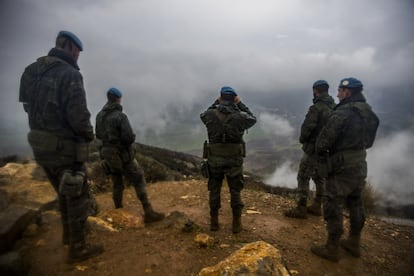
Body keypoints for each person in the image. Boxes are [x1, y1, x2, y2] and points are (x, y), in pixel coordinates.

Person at [19, 30, 104, 263]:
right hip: (64, 147)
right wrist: (87, 137)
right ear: (69, 47)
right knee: (76, 194)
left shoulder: (31, 71)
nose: (77, 56)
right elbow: (78, 116)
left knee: (63, 192)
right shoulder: (69, 74)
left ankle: (69, 236)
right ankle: (78, 248)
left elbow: (27, 105)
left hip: (39, 143)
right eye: (77, 51)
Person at [311, 77, 379, 262]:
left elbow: (324, 141)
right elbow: (370, 142)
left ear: (347, 92)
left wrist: (325, 153)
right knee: (356, 201)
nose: (338, 94)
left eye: (340, 91)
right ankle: (354, 243)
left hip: (341, 166)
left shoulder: (342, 113)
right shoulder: (368, 112)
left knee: (333, 203)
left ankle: (331, 248)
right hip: (359, 163)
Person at [95, 87, 165, 223]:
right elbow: (128, 137)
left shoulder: (99, 116)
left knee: (117, 182)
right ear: (118, 99)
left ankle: (118, 210)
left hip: (108, 154)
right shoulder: (120, 116)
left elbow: (98, 135)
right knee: (138, 178)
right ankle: (148, 211)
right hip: (123, 154)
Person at [200, 86, 256, 233]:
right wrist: (240, 103)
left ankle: (214, 222)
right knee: (235, 191)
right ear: (234, 99)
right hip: (234, 160)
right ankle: (236, 224)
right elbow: (253, 118)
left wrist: (215, 102)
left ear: (221, 98)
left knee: (214, 190)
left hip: (214, 160)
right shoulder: (241, 116)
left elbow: (203, 114)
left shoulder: (210, 114)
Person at [285, 80, 335, 218]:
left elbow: (307, 128)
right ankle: (317, 205)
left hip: (313, 148)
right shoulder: (335, 108)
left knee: (303, 176)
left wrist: (303, 139)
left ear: (315, 90)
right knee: (319, 177)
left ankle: (301, 208)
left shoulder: (316, 108)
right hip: (327, 150)